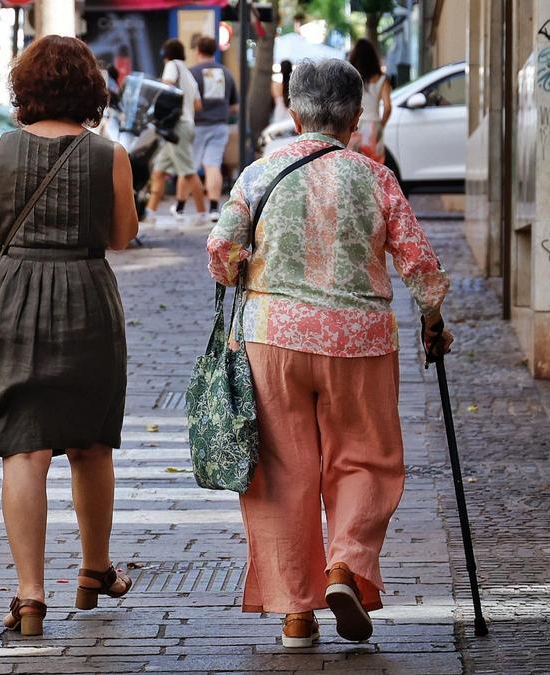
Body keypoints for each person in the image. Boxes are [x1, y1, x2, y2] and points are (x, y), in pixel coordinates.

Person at [207, 58, 452, 648]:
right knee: (366, 459)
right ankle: (345, 565)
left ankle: (295, 613)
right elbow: (417, 260)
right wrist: (433, 318)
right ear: (355, 115)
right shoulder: (375, 176)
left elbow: (221, 251)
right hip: (359, 341)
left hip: (274, 339)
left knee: (282, 474)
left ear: (293, 113)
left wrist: (245, 268)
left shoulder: (260, 173)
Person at [0, 35, 140, 637]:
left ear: (24, 90)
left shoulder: (0, 151)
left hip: (12, 297)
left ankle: (30, 595)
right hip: (85, 294)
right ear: (90, 90)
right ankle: (93, 568)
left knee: (24, 448)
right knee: (90, 442)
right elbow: (122, 237)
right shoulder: (109, 154)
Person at [145, 38, 205, 222]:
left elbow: (166, 88)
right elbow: (198, 104)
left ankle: (202, 213)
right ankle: (150, 212)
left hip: (177, 127)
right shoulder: (188, 73)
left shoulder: (172, 66)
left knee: (188, 171)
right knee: (159, 171)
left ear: (166, 55)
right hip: (186, 124)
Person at [189, 36, 239, 222]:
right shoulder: (226, 73)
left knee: (190, 166)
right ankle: (213, 208)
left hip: (197, 125)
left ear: (198, 51)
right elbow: (234, 106)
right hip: (219, 125)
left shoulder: (192, 73)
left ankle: (183, 207)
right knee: (213, 165)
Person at [347, 38, 392, 164]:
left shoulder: (351, 79)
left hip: (354, 125)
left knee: (354, 165)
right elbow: (388, 108)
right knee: (374, 166)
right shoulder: (382, 80)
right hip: (373, 125)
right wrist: (381, 125)